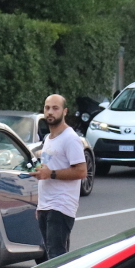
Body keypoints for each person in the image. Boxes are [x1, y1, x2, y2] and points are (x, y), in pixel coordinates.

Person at [32, 93, 88, 259]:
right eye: (47, 108)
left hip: (61, 205)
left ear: (64, 111)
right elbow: (48, 169)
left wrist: (51, 174)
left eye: (55, 108)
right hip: (46, 206)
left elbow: (81, 171)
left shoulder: (70, 139)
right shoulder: (49, 138)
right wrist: (40, 205)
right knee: (52, 256)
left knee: (56, 257)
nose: (50, 112)